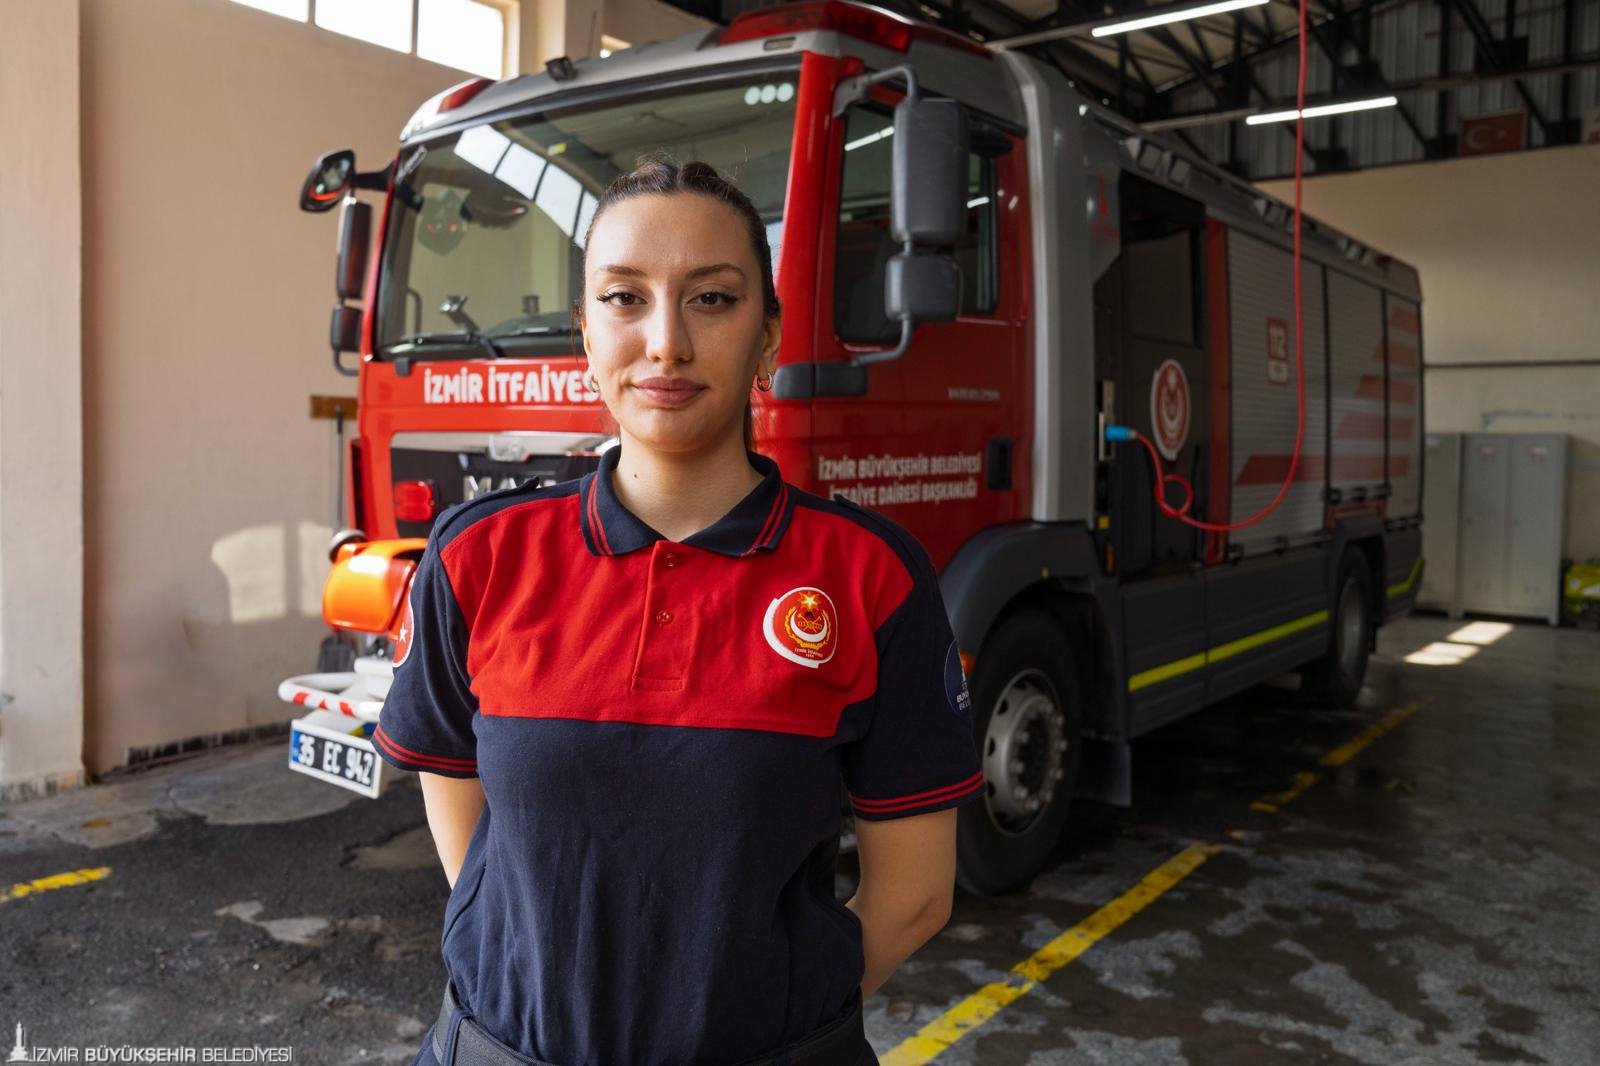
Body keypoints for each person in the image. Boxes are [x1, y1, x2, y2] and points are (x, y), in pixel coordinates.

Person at [374, 152, 985, 1066]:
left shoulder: (870, 576)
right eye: (625, 298)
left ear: (769, 335)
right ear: (585, 333)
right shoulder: (479, 557)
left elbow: (914, 898)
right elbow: (473, 847)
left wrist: (764, 1024)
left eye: (712, 298)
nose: (665, 342)